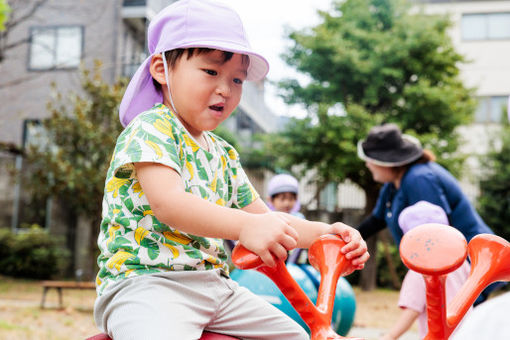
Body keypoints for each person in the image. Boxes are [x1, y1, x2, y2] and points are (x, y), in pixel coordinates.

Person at [93, 1, 369, 339]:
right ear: (162, 69)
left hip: (216, 287)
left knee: (298, 335)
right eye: (211, 72)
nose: (226, 89)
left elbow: (268, 219)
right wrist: (247, 226)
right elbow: (170, 204)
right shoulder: (150, 129)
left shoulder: (222, 153)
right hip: (147, 284)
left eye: (237, 79)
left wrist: (328, 233)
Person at [356, 123, 496, 304]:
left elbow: (436, 235)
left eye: (371, 159)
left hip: (466, 268)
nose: (367, 164)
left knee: (457, 327)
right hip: (448, 269)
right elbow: (376, 220)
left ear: (387, 162)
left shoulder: (419, 179)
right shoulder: (392, 186)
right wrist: (345, 238)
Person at [381, 201, 471, 340]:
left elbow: (412, 311)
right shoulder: (461, 262)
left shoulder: (420, 271)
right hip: (469, 333)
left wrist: (390, 336)